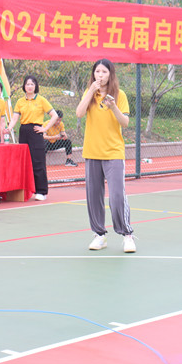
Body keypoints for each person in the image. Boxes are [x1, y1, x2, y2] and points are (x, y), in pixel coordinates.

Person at [75, 58, 136, 253]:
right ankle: (99, 234)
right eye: (97, 72)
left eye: (104, 72)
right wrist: (90, 92)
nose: (100, 75)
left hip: (113, 152)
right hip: (92, 151)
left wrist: (113, 107)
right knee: (94, 196)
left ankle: (127, 235)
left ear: (111, 75)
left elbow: (125, 122)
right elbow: (79, 113)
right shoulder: (89, 93)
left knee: (117, 195)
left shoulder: (120, 95)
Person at [5, 75, 58, 201]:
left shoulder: (41, 100)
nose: (29, 86)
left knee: (38, 162)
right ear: (24, 86)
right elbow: (15, 118)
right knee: (23, 162)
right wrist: (9, 128)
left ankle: (41, 191)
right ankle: (24, 191)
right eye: (27, 84)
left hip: (36, 132)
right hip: (24, 131)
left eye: (32, 84)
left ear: (35, 86)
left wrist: (44, 128)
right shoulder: (20, 101)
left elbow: (54, 115)